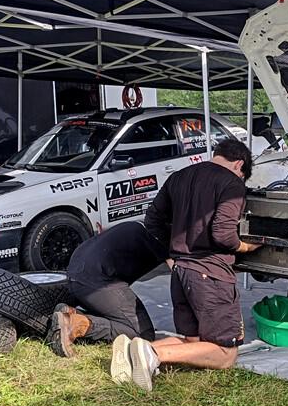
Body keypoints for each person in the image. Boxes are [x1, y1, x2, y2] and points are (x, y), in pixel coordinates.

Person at [109, 138, 261, 391]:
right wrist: (246, 247)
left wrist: (170, 255)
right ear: (239, 165)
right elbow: (223, 235)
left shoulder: (180, 176)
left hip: (180, 273)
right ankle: (152, 354)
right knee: (226, 353)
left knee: (195, 341)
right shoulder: (232, 183)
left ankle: (131, 351)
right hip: (210, 274)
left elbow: (153, 220)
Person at [46, 221, 168, 363]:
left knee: (123, 314)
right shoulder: (164, 238)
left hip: (75, 273)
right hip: (96, 281)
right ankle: (75, 323)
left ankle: (70, 313)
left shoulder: (137, 226)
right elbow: (181, 278)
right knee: (142, 334)